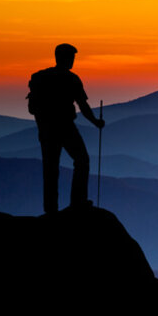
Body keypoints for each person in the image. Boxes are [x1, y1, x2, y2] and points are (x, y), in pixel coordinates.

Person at [27, 43, 105, 214]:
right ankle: (78, 203)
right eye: (72, 57)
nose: (73, 61)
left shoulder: (42, 78)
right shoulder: (71, 79)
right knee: (82, 160)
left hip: (46, 130)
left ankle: (51, 211)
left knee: (50, 169)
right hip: (65, 128)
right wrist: (96, 122)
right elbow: (83, 106)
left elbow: (33, 108)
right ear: (65, 58)